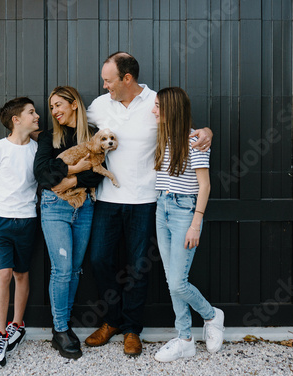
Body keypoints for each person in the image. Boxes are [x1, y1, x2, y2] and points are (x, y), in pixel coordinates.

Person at [84, 52, 213, 356]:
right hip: (107, 198)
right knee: (100, 259)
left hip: (146, 200)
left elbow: (186, 129)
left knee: (137, 267)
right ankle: (111, 321)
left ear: (126, 78)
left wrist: (207, 132)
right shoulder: (101, 106)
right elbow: (74, 124)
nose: (104, 86)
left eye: (108, 80)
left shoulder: (156, 102)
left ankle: (132, 330)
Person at [152, 87, 224, 362]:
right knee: (173, 281)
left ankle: (211, 315)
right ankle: (185, 339)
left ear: (171, 108)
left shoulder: (194, 140)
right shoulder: (163, 138)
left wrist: (196, 223)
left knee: (178, 283)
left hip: (185, 211)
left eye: (158, 105)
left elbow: (204, 186)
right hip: (162, 209)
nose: (153, 110)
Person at [33, 86, 104, 359]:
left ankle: (64, 327)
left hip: (84, 206)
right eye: (51, 107)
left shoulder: (94, 134)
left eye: (58, 105)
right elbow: (41, 173)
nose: (54, 112)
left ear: (74, 104)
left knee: (74, 270)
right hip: (55, 208)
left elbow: (98, 173)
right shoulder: (50, 136)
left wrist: (70, 180)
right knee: (62, 270)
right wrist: (75, 168)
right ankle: (60, 329)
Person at [0, 97, 40, 368]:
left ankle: (17, 324)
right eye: (31, 112)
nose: (37, 115)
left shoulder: (37, 149)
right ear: (16, 120)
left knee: (21, 273)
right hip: (1, 221)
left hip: (27, 220)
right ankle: (0, 334)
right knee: (3, 274)